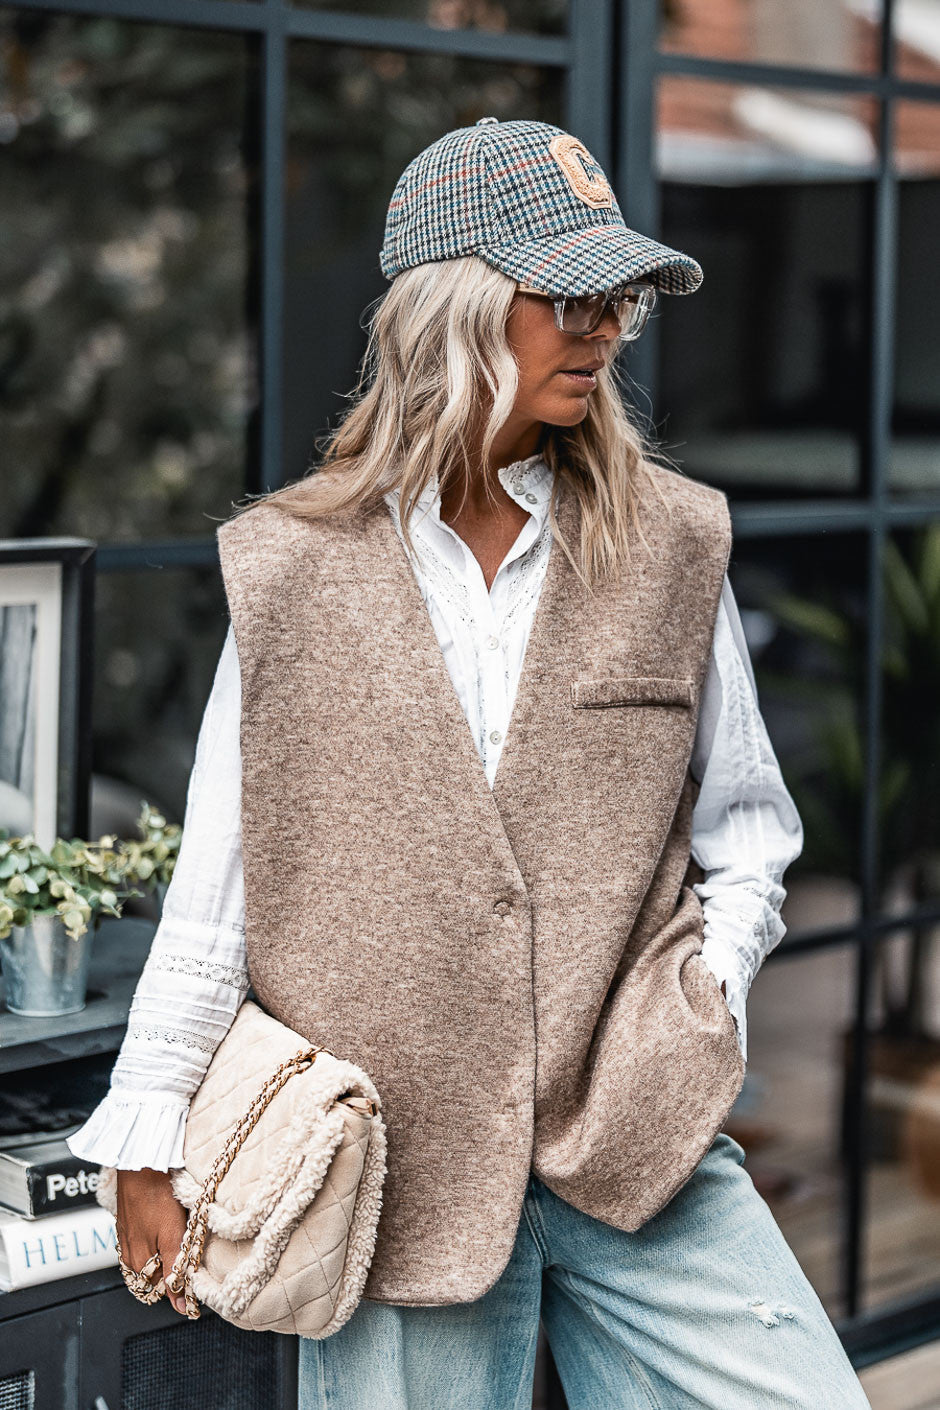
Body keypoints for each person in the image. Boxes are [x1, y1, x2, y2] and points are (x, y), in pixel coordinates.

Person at [69, 118, 872, 1409]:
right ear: (455, 307)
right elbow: (220, 890)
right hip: (394, 1166)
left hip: (637, 1132)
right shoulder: (290, 569)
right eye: (570, 297)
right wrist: (148, 1129)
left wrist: (706, 993)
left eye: (620, 301)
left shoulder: (675, 542)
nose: (604, 330)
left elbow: (749, 825)